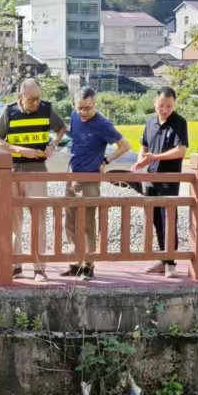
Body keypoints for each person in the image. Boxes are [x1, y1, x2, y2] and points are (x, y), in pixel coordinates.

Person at [0, 77, 67, 279]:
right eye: (31, 99)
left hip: (37, 170)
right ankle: (16, 266)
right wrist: (18, 149)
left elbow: (62, 128)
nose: (36, 103)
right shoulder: (8, 111)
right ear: (21, 96)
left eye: (38, 98)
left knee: (39, 220)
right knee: (14, 221)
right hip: (13, 170)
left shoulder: (46, 109)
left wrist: (53, 145)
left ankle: (39, 268)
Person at [62, 87, 130, 279]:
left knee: (87, 224)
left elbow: (125, 145)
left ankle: (89, 265)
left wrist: (106, 161)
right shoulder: (74, 117)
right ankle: (75, 262)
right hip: (72, 175)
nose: (83, 112)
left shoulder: (103, 124)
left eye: (88, 108)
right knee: (70, 221)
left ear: (95, 104)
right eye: (80, 108)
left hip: (90, 178)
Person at [133, 86, 192, 276]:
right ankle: (162, 259)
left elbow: (181, 151)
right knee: (156, 219)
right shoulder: (150, 123)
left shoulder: (179, 122)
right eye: (161, 105)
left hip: (169, 179)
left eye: (169, 106)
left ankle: (171, 263)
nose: (165, 109)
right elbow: (144, 146)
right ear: (155, 103)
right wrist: (140, 161)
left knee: (169, 219)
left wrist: (155, 157)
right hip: (151, 179)